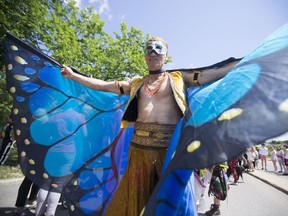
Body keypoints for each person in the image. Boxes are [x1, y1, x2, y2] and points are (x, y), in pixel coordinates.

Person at [61, 36, 239, 215]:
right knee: (132, 202)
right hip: (138, 152)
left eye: (158, 48)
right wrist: (74, 76)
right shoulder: (136, 84)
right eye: (148, 49)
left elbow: (212, 73)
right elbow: (105, 86)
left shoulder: (178, 78)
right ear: (145, 56)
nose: (153, 52)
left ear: (166, 55)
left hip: (169, 153)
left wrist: (249, 60)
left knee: (170, 203)